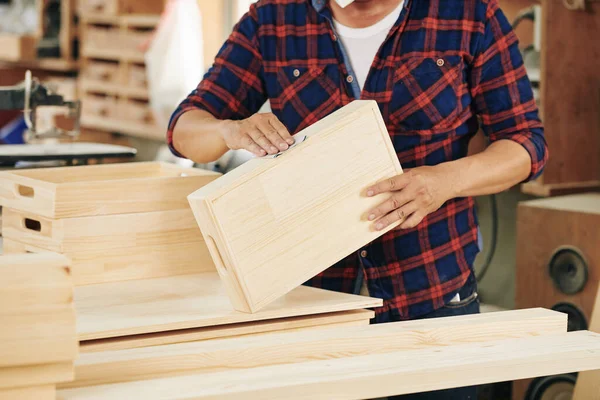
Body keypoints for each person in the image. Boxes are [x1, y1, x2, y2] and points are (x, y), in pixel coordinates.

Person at [167, 0, 548, 398]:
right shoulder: (273, 19)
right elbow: (184, 128)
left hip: (432, 294)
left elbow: (525, 143)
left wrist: (445, 181)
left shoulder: (469, 16)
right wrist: (229, 131)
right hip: (311, 301)